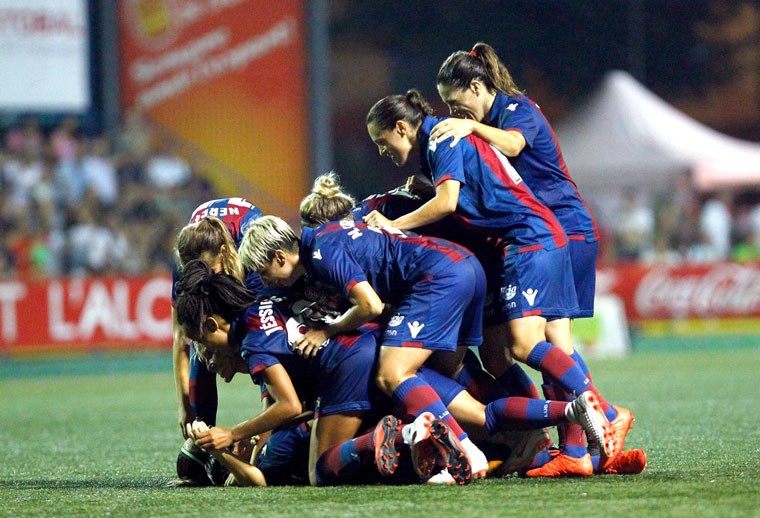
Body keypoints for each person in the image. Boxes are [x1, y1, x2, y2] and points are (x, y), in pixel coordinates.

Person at [363, 89, 627, 474]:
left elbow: (448, 201)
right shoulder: (442, 142)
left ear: (401, 127)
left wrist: (392, 225)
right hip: (522, 243)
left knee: (525, 345)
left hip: (526, 240)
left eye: (380, 141)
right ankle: (553, 447)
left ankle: (603, 410)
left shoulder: (441, 138)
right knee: (501, 355)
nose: (381, 151)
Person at [431, 42, 634, 475]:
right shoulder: (492, 118)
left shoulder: (516, 109)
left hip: (564, 229)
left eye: (456, 101)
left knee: (548, 342)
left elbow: (513, 143)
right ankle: (577, 451)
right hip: (549, 232)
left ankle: (600, 417)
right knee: (547, 344)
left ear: (477, 85)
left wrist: (471, 130)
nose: (455, 112)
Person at [238, 214, 492, 484]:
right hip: (465, 264)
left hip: (437, 278)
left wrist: (327, 330)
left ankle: (467, 452)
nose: (265, 282)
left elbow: (371, 306)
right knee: (445, 373)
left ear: (280, 257)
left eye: (264, 272)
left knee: (392, 374)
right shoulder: (326, 235)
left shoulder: (321, 253)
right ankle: (523, 440)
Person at [172, 198, 263, 439]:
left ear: (224, 253)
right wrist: (186, 406)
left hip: (247, 255)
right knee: (202, 336)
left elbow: (265, 334)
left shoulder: (253, 251)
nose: (201, 278)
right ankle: (204, 434)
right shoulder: (184, 265)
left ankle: (271, 432)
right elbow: (182, 337)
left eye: (208, 272)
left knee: (261, 343)